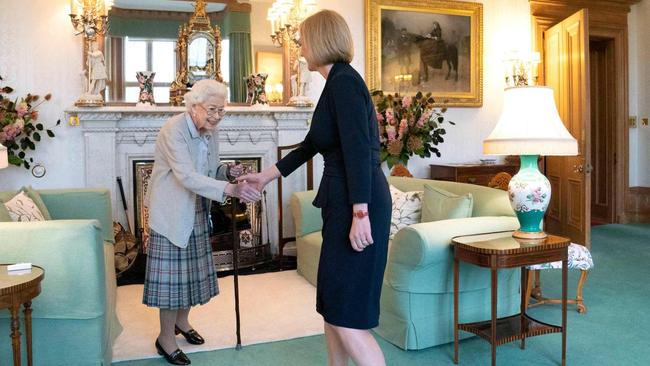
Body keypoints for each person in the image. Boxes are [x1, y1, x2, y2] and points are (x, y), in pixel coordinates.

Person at [237, 10, 391, 366]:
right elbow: (311, 144)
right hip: (343, 203)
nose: (300, 47)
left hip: (358, 204)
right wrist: (265, 176)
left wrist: (360, 213)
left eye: (303, 39)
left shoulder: (345, 83)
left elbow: (357, 152)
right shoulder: (335, 82)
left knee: (348, 314)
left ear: (321, 40)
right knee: (334, 306)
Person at [143, 79, 259, 365]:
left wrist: (227, 171)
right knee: (172, 283)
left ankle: (182, 323)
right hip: (171, 211)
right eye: (212, 109)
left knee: (190, 276)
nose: (217, 116)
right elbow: (186, 176)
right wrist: (230, 190)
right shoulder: (174, 130)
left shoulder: (210, 131)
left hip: (196, 208)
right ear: (194, 106)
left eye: (222, 110)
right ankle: (165, 339)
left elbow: (208, 169)